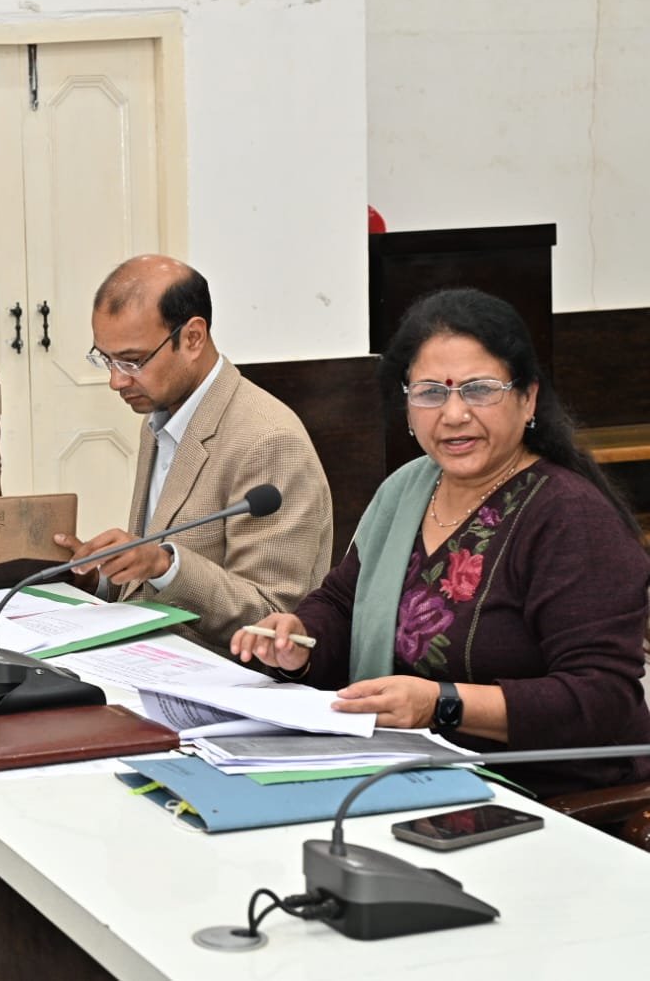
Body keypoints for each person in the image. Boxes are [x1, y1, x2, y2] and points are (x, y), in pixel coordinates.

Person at [232, 288, 650, 798]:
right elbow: (343, 605)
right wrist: (298, 641)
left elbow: (602, 697)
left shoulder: (570, 516)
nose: (453, 414)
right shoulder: (408, 488)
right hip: (408, 768)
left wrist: (442, 704)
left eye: (479, 390)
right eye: (430, 393)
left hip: (547, 793)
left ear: (528, 398)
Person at [54, 255, 334, 652]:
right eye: (106, 360)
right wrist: (94, 578)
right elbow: (148, 586)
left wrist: (165, 565)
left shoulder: (268, 441)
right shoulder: (160, 415)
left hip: (226, 674)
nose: (116, 381)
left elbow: (272, 618)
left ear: (193, 338)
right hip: (150, 658)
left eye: (132, 361)